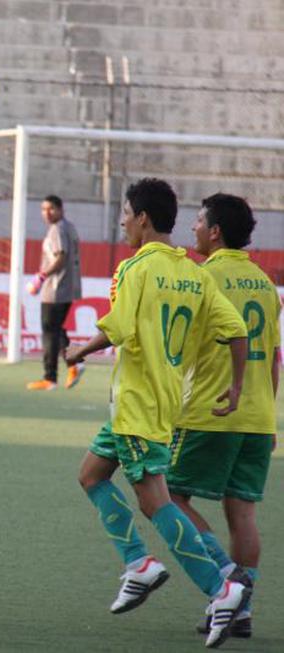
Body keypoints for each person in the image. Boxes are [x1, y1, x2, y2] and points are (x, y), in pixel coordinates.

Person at [65, 178, 251, 649]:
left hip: (137, 405)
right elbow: (235, 330)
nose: (122, 221)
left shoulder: (136, 267)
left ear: (143, 218)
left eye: (126, 213)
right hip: (164, 403)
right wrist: (235, 387)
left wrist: (77, 351)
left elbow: (120, 327)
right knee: (91, 476)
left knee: (155, 502)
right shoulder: (194, 273)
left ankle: (219, 586)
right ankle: (138, 564)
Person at [167, 193, 281, 640]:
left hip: (210, 411)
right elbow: (274, 358)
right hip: (255, 417)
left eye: (197, 221)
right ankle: (243, 608)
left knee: (167, 496)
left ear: (215, 231)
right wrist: (268, 418)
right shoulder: (265, 284)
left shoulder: (201, 279)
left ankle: (229, 580)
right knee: (243, 514)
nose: (193, 228)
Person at [26, 195, 84, 390]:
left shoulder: (57, 229)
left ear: (60, 209)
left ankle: (51, 377)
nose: (46, 213)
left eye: (50, 208)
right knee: (55, 329)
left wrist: (41, 276)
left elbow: (60, 257)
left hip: (56, 288)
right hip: (68, 287)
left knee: (49, 331)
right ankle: (75, 363)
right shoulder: (69, 227)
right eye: (43, 209)